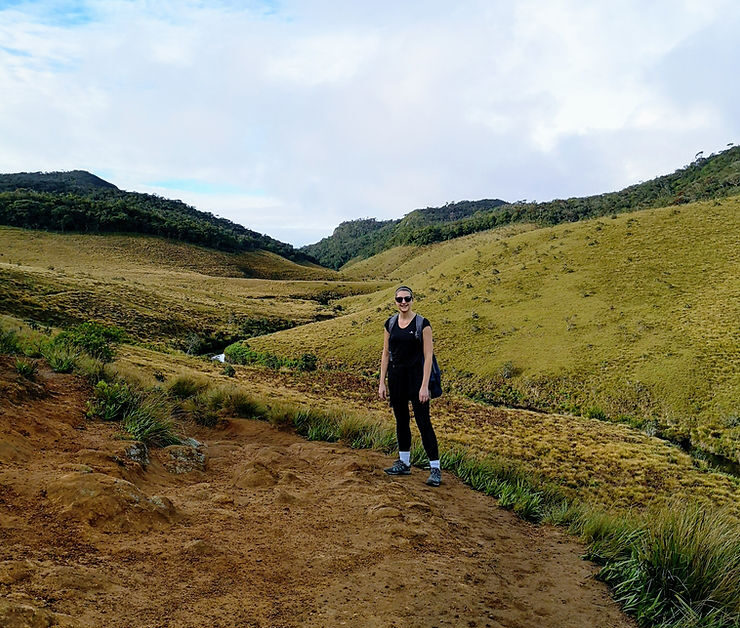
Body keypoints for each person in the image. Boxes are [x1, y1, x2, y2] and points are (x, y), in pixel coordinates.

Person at [378, 285, 441, 487]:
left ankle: (435, 468)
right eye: (399, 299)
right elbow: (386, 353)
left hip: (416, 378)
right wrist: (382, 382)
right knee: (401, 420)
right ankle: (404, 463)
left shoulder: (423, 324)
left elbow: (428, 355)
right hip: (397, 379)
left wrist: (424, 386)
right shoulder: (390, 323)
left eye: (407, 298)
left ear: (413, 299)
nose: (403, 302)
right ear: (395, 301)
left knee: (424, 423)